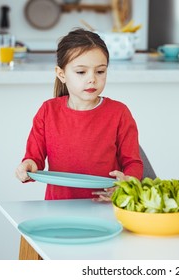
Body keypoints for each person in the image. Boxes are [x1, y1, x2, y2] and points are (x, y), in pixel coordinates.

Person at [15, 28, 143, 201]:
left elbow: (133, 164)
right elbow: (34, 159)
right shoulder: (48, 111)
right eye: (81, 72)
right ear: (62, 74)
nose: (92, 79)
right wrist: (27, 166)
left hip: (106, 207)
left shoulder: (119, 113)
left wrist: (126, 184)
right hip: (58, 208)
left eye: (100, 71)